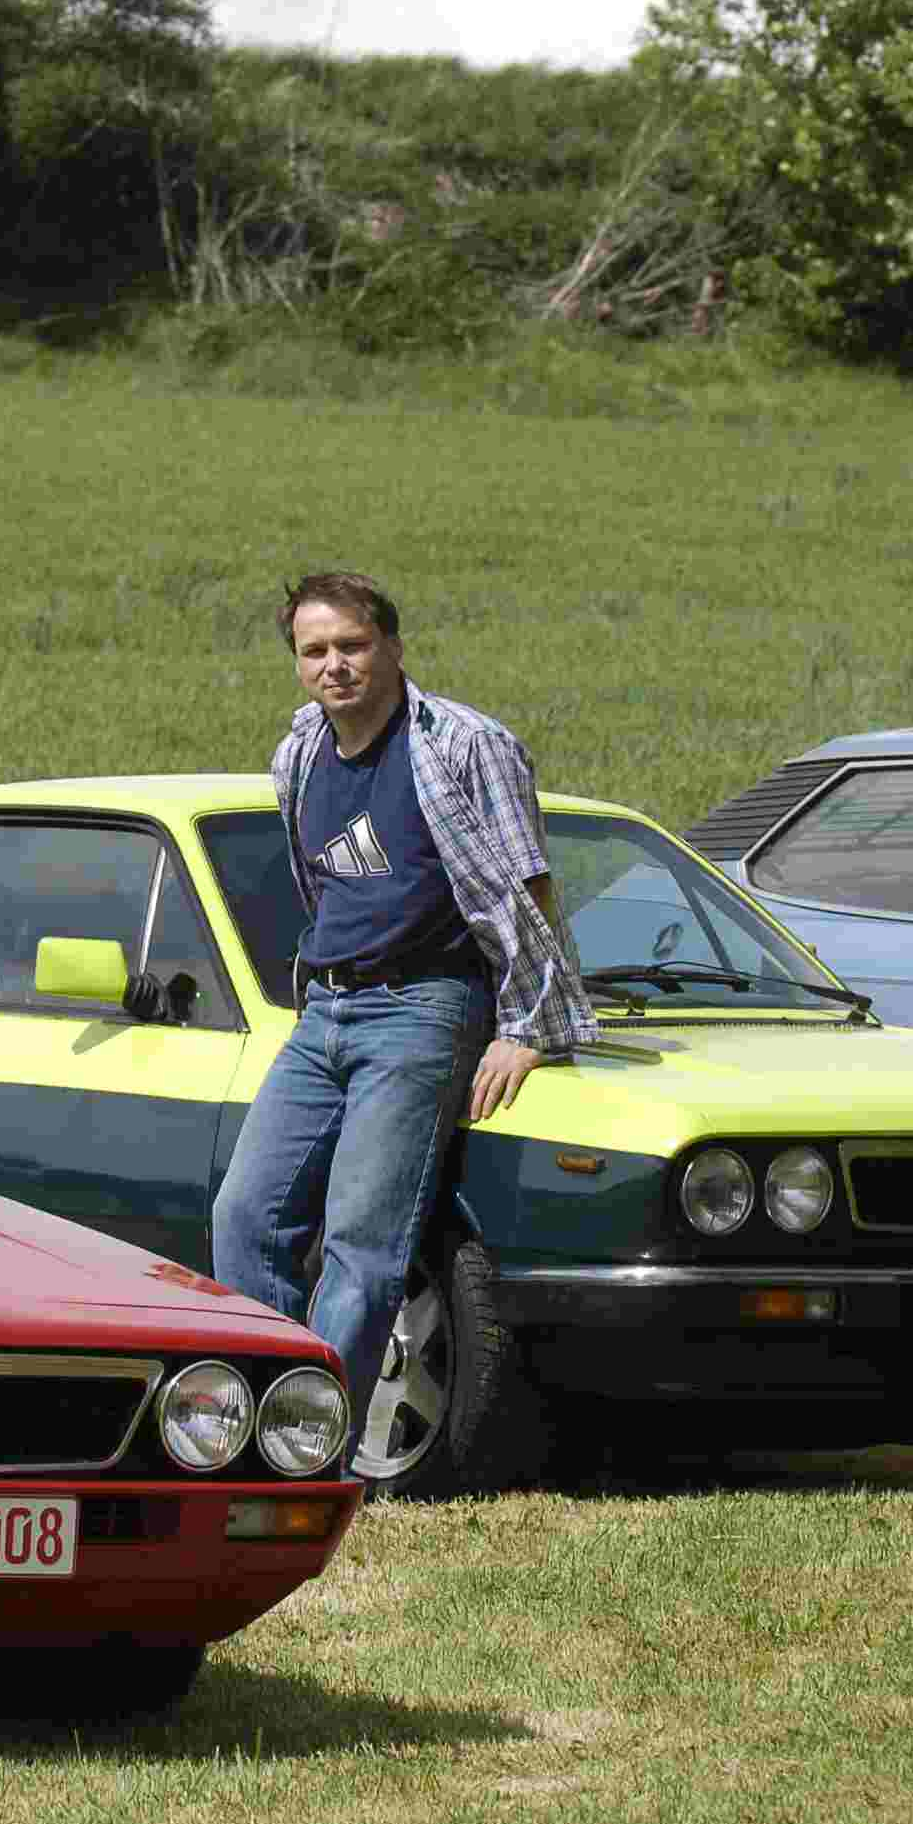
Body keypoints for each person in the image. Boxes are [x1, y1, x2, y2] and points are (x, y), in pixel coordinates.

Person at [208, 572, 594, 1478]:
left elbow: (528, 888)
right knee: (245, 1216)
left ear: (391, 646)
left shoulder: (466, 745)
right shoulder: (300, 751)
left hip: (424, 1009)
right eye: (315, 651)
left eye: (352, 644)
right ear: (298, 666)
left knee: (362, 1242)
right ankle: (267, 1417)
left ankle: (307, 1455)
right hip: (326, 1007)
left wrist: (528, 1025)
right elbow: (324, 885)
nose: (335, 665)